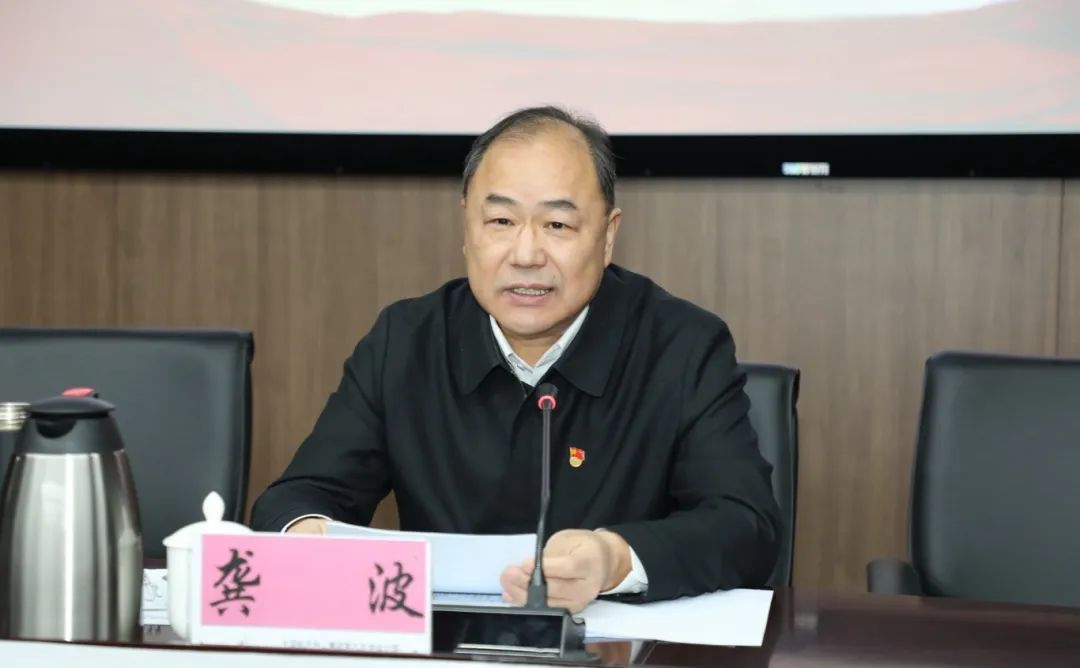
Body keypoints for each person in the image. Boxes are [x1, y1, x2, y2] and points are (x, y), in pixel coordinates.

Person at [250, 105, 780, 613]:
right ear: (467, 228)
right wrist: (307, 534)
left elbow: (745, 527)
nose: (526, 255)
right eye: (501, 221)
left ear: (608, 235)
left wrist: (615, 558)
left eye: (558, 225)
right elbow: (296, 498)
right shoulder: (406, 341)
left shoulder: (682, 346)